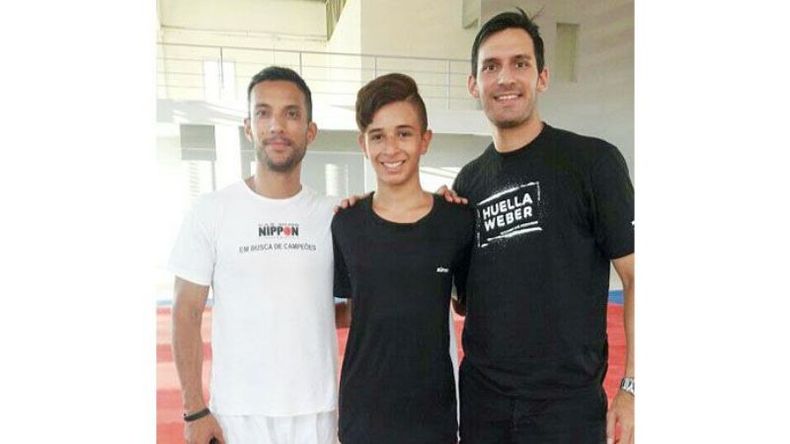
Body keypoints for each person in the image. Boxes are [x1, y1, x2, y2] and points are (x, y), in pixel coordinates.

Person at [446, 8, 635, 444]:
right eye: (490, 66)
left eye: (520, 64)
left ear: (542, 78)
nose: (505, 78)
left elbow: (636, 277)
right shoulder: (468, 182)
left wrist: (632, 388)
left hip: (564, 409)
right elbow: (463, 301)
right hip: (482, 403)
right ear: (475, 85)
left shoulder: (592, 163)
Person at [168, 66, 339, 444]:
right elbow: (186, 312)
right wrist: (195, 409)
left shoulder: (335, 214)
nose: (277, 125)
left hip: (317, 413)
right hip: (237, 416)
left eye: (291, 113)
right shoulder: (211, 210)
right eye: (264, 112)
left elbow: (361, 301)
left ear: (310, 130)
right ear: (249, 127)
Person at [331, 73, 473, 444]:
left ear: (425, 140)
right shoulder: (345, 223)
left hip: (434, 417)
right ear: (363, 144)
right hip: (364, 415)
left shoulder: (457, 219)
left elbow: (466, 305)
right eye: (377, 135)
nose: (390, 148)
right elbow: (350, 309)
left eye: (404, 133)